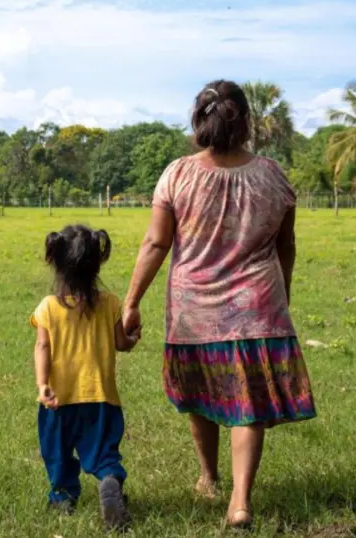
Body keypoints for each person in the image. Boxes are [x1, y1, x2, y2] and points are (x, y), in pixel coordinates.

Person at [122, 80, 316, 529]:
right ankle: (240, 501)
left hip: (195, 310)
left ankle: (208, 478)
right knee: (248, 403)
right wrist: (281, 293)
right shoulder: (273, 175)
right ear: (246, 122)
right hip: (258, 307)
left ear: (199, 121)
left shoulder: (178, 174)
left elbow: (156, 242)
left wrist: (132, 302)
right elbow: (286, 245)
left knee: (199, 394)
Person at [31, 225, 139, 532]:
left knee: (57, 451)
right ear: (97, 264)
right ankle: (108, 479)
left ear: (57, 263)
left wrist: (42, 385)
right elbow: (122, 343)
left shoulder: (48, 307)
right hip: (101, 398)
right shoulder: (110, 303)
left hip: (58, 400)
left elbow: (42, 346)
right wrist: (133, 339)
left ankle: (63, 496)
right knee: (104, 451)